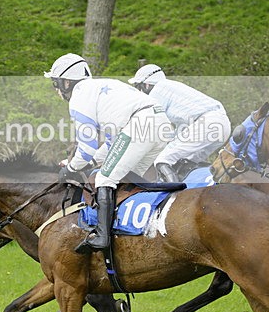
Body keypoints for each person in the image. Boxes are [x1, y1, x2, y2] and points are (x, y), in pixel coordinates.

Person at [45, 53, 173, 253]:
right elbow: (114, 145)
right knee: (126, 179)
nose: (56, 89)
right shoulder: (101, 87)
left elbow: (86, 148)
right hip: (159, 124)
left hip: (139, 125)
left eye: (56, 83)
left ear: (67, 82)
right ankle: (139, 231)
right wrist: (89, 162)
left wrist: (71, 168)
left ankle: (102, 237)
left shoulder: (79, 97)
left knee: (105, 178)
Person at [128, 64, 231, 182]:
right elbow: (178, 132)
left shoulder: (158, 90)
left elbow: (149, 124)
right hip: (222, 124)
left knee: (162, 161)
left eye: (138, 86)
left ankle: (174, 196)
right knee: (184, 163)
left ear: (146, 84)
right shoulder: (172, 89)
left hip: (207, 123)